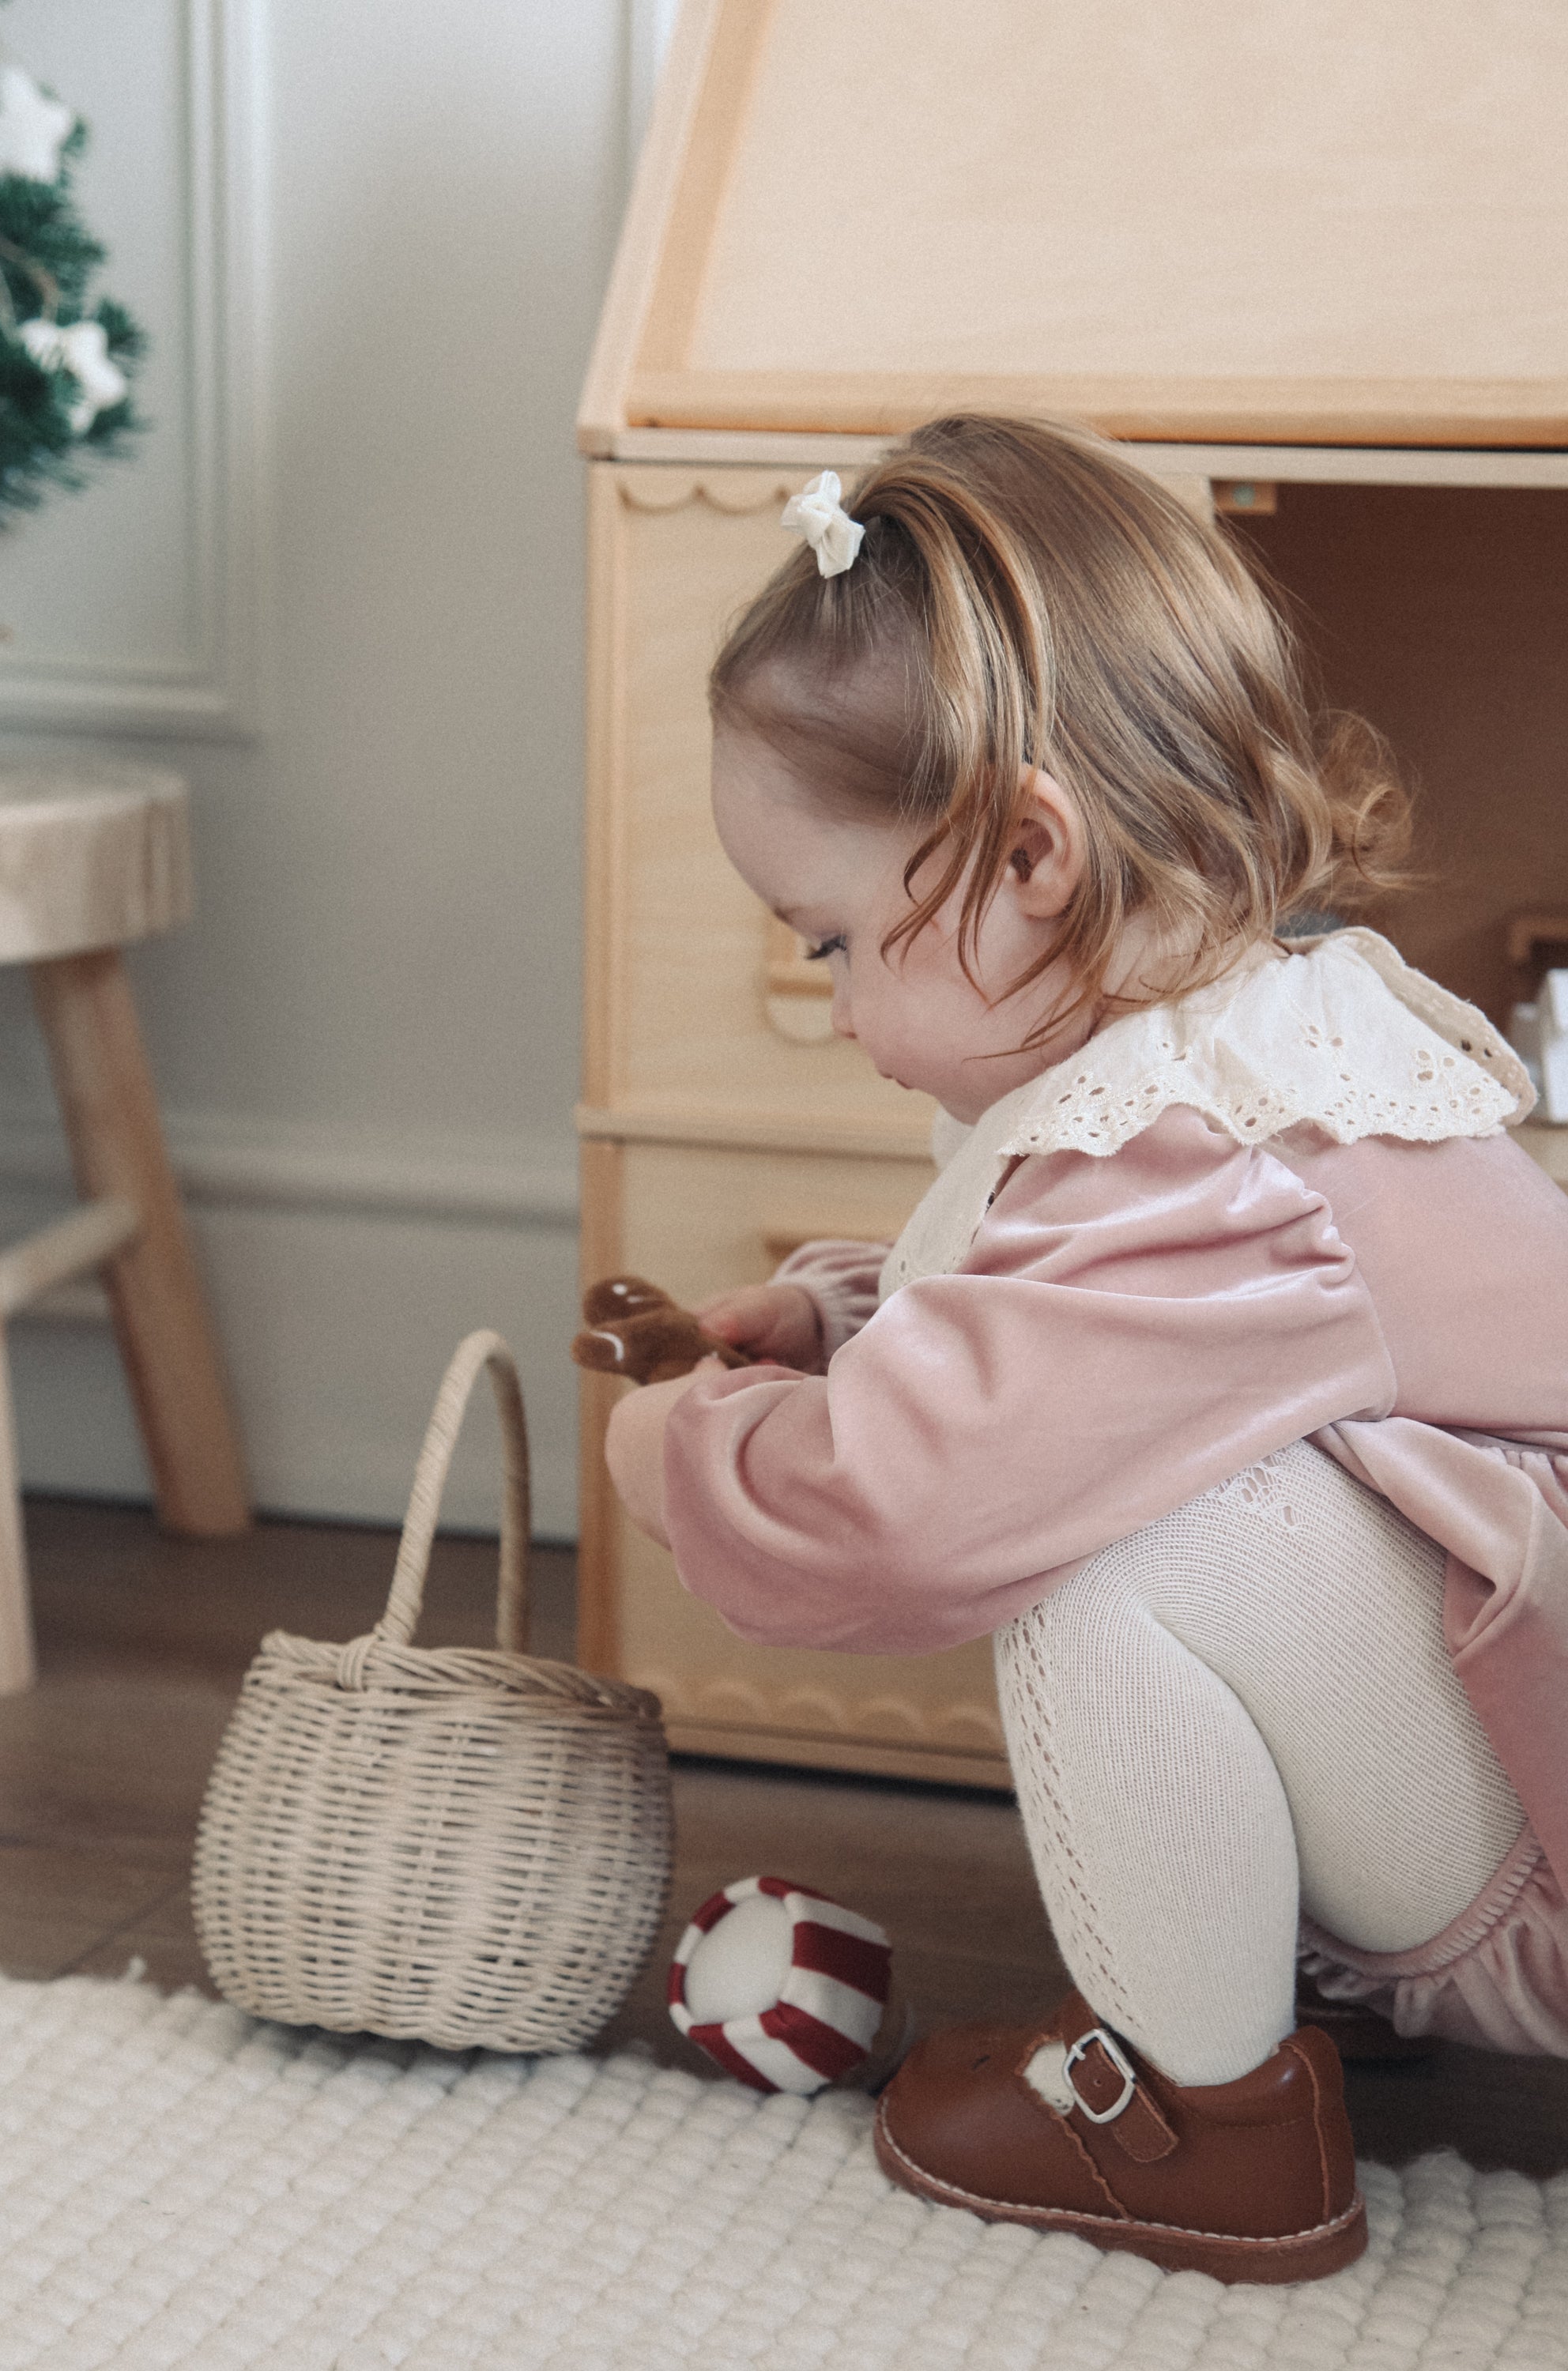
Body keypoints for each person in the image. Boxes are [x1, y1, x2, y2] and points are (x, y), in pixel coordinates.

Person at [603, 416, 1568, 2283]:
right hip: (1514, 1769)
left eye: (834, 939)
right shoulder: (1223, 1063)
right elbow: (1045, 1317)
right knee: (1119, 1469)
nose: (837, 1000)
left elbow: (904, 1507)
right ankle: (1270, 1988)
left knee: (1105, 1528)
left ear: (1027, 853)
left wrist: (675, 1445)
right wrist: (836, 1316)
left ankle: (1200, 2123)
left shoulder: (1216, 1159)